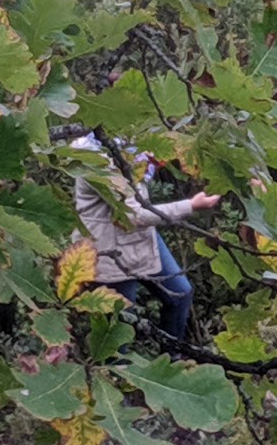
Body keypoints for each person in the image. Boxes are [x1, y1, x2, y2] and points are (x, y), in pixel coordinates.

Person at [71, 134, 220, 342]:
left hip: (139, 239)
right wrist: (191, 206)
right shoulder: (95, 160)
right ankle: (116, 372)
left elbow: (135, 189)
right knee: (120, 324)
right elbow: (135, 215)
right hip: (108, 250)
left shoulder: (127, 147)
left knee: (180, 294)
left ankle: (171, 356)